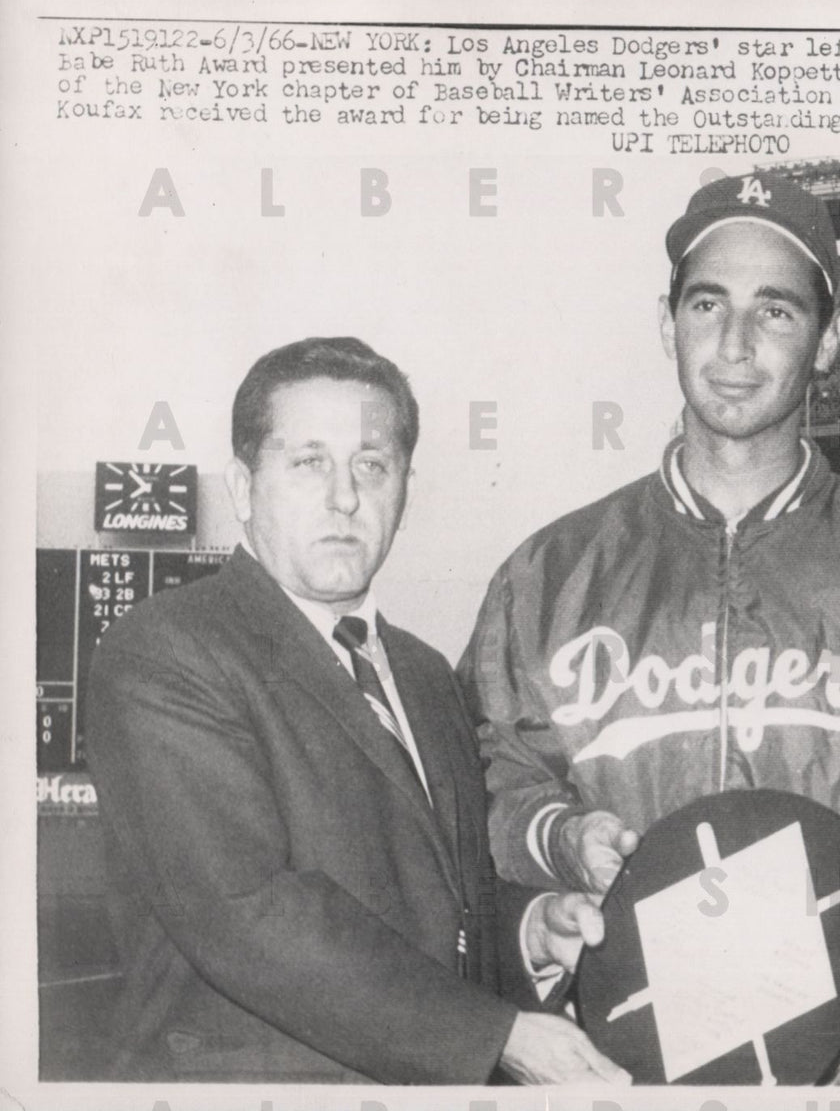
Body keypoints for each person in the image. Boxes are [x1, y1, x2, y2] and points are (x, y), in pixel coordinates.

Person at [457, 173, 840, 1081]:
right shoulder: (547, 574)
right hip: (614, 1059)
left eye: (776, 312)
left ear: (831, 339)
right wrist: (562, 838)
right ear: (665, 322)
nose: (733, 344)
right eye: (707, 303)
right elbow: (485, 785)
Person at [86, 337, 630, 1085]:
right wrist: (500, 1033)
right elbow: (246, 909)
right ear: (243, 488)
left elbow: (436, 900)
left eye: (371, 465)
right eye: (308, 462)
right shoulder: (164, 650)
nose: (344, 496)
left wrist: (530, 927)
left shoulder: (424, 673)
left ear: (404, 489)